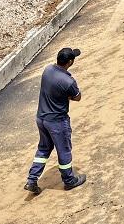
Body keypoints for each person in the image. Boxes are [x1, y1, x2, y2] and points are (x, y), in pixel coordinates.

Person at [24, 48, 87, 194]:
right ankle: (69, 181)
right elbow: (77, 97)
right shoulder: (68, 81)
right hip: (57, 122)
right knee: (64, 150)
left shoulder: (47, 70)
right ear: (70, 62)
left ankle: (32, 179)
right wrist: (67, 96)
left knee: (44, 148)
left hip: (41, 118)